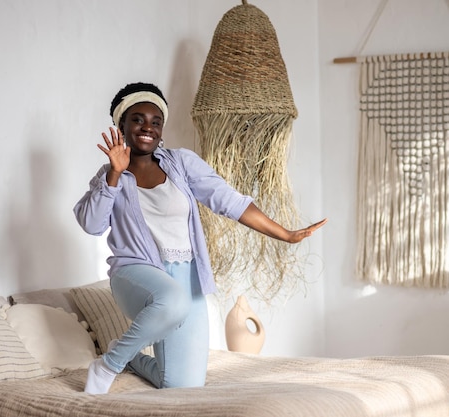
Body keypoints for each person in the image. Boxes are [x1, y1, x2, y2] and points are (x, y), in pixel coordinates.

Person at [73, 82, 327, 395]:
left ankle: (129, 358)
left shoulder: (181, 163)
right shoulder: (111, 175)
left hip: (186, 277)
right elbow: (91, 223)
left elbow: (230, 201)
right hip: (134, 273)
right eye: (137, 119)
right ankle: (108, 365)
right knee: (172, 300)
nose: (147, 128)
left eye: (156, 121)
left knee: (182, 385)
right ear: (121, 124)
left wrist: (284, 234)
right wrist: (113, 175)